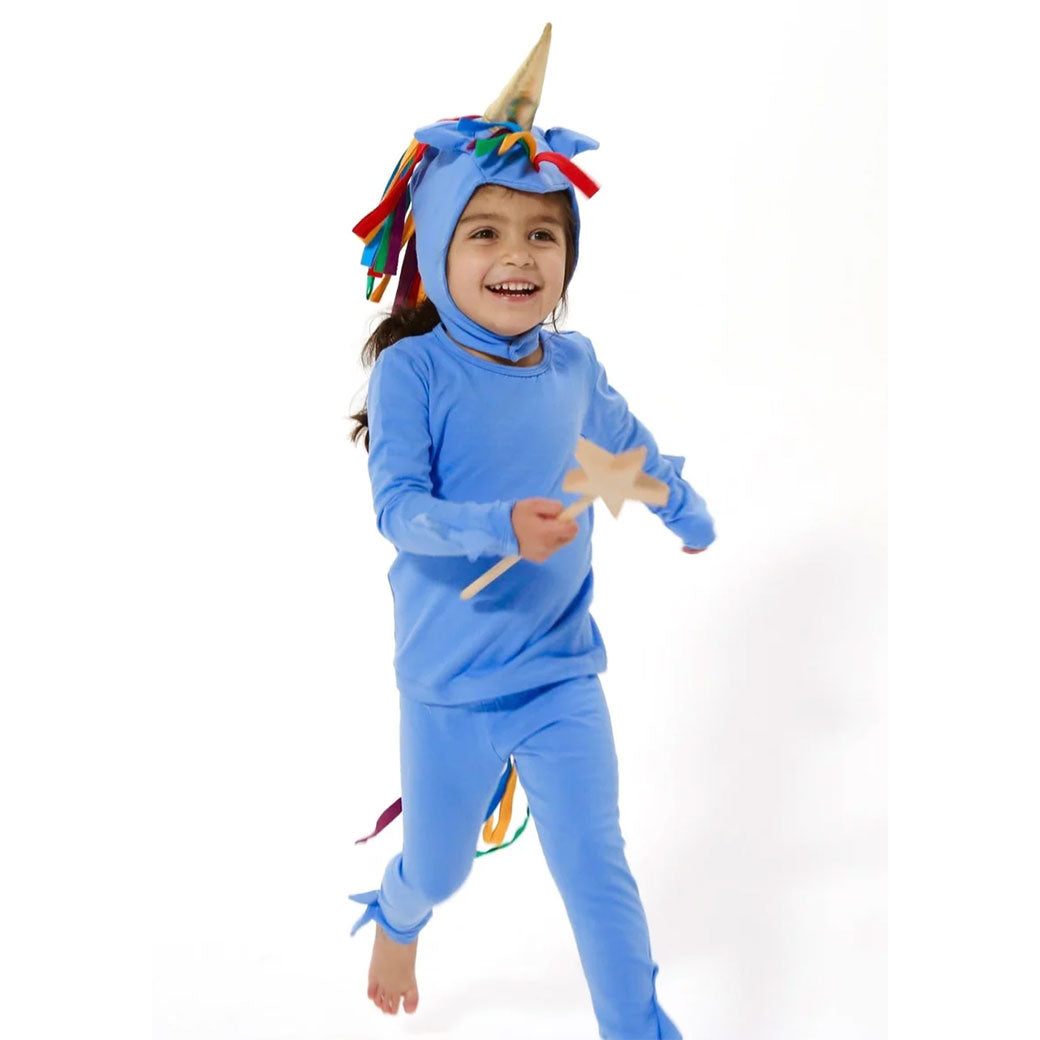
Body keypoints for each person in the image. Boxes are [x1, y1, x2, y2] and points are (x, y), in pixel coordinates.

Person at [345, 24, 715, 1039]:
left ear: (567, 256)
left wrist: (686, 512)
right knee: (441, 865)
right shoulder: (414, 371)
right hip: (448, 682)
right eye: (484, 231)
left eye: (542, 235)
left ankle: (637, 1027)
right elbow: (398, 510)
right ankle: (399, 909)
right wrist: (497, 523)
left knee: (596, 865)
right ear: (434, 251)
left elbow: (630, 450)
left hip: (559, 672)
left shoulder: (573, 366)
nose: (516, 254)